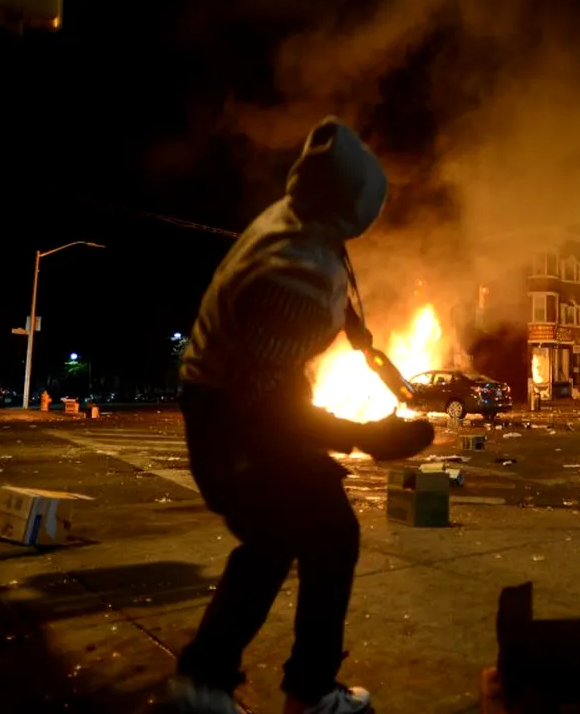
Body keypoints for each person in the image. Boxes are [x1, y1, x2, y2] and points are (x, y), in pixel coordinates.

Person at [168, 116, 435, 714]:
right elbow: (267, 412)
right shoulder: (294, 273)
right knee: (282, 535)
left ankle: (225, 683)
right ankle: (241, 687)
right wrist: (368, 439)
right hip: (228, 420)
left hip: (243, 402)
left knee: (313, 535)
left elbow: (336, 291)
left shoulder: (301, 216)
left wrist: (369, 350)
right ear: (347, 212)